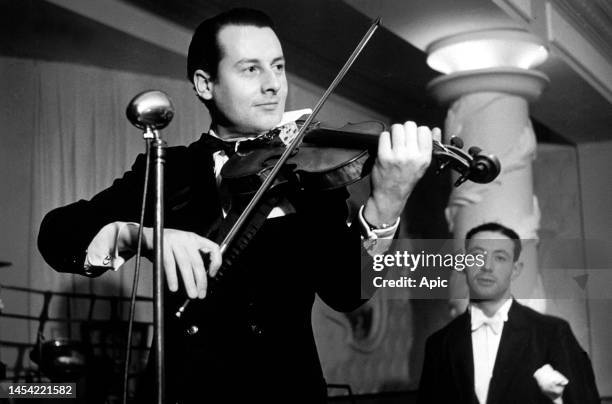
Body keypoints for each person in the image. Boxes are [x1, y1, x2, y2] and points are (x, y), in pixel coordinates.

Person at [38, 8, 438, 403]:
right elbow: (56, 234)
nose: (274, 86)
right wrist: (141, 236)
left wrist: (389, 197)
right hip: (184, 391)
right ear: (205, 84)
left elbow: (347, 291)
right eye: (251, 69)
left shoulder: (310, 173)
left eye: (278, 67)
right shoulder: (166, 168)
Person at [417, 222, 600, 404]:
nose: (487, 266)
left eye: (500, 257)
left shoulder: (553, 333)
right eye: (477, 256)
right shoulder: (439, 344)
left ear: (515, 270)